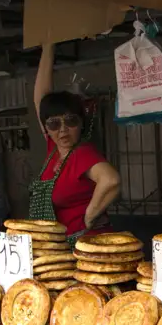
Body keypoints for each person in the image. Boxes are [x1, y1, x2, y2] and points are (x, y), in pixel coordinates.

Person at [30, 43, 121, 246]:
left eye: (70, 121)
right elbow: (41, 98)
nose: (62, 129)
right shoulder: (53, 148)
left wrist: (89, 216)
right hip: (60, 245)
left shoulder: (82, 153)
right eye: (54, 123)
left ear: (81, 123)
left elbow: (111, 180)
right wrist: (48, 45)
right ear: (46, 127)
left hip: (86, 245)